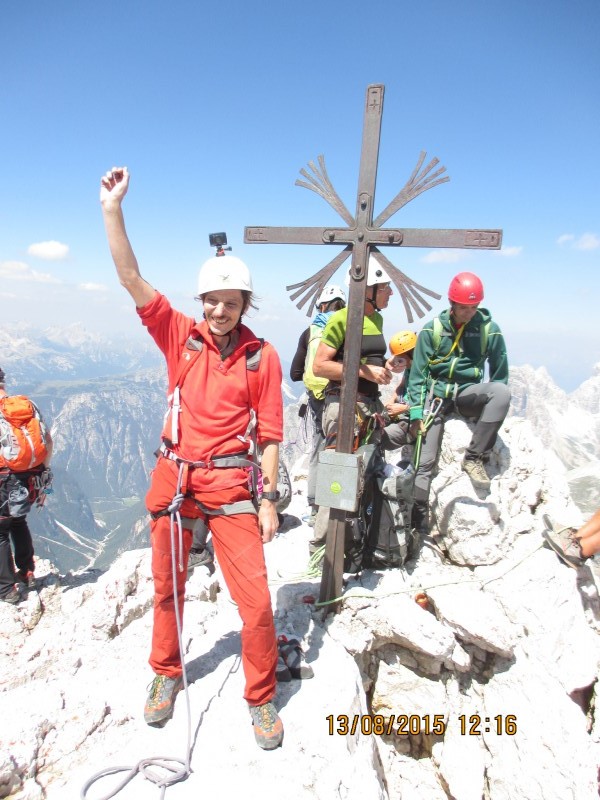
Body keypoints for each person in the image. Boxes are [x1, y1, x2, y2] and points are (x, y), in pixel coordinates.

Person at [100, 167, 284, 750]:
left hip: (231, 488)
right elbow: (130, 276)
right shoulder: (178, 334)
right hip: (177, 480)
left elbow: (272, 434)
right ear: (200, 300)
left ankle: (261, 697)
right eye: (212, 300)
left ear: (244, 304)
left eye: (231, 302)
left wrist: (272, 499)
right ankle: (165, 673)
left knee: (254, 602)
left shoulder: (262, 357)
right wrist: (112, 210)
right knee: (167, 589)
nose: (220, 311)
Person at [407, 271, 510, 533]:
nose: (469, 313)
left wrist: (487, 409)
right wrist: (416, 415)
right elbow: (418, 375)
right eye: (464, 308)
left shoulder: (489, 330)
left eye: (474, 307)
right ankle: (415, 517)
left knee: (501, 394)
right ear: (452, 304)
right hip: (438, 397)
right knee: (425, 460)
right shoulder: (434, 330)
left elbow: (499, 374)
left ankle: (474, 457)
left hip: (467, 394)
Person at [309, 258, 393, 554]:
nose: (390, 293)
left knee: (357, 477)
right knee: (337, 477)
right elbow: (320, 366)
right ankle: (320, 550)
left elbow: (369, 361)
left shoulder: (377, 320)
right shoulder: (341, 319)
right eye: (385, 287)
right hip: (344, 407)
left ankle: (349, 545)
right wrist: (363, 372)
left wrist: (386, 367)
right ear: (368, 289)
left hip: (367, 407)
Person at [289, 284, 347, 526]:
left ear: (322, 305)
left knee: (318, 446)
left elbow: (294, 372)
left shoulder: (310, 332)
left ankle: (314, 507)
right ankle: (334, 504)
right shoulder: (347, 327)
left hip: (316, 398)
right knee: (340, 450)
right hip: (340, 397)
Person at [0, 369, 53, 604]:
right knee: (18, 522)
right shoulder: (27, 406)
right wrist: (44, 471)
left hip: (3, 479)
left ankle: (6, 589)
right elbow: (47, 440)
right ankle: (27, 571)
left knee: (0, 531)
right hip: (31, 477)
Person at [380, 330, 417, 452]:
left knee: (377, 439)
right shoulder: (410, 368)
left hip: (410, 420)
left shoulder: (426, 371)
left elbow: (430, 402)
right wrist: (390, 402)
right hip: (400, 414)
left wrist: (404, 408)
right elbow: (401, 386)